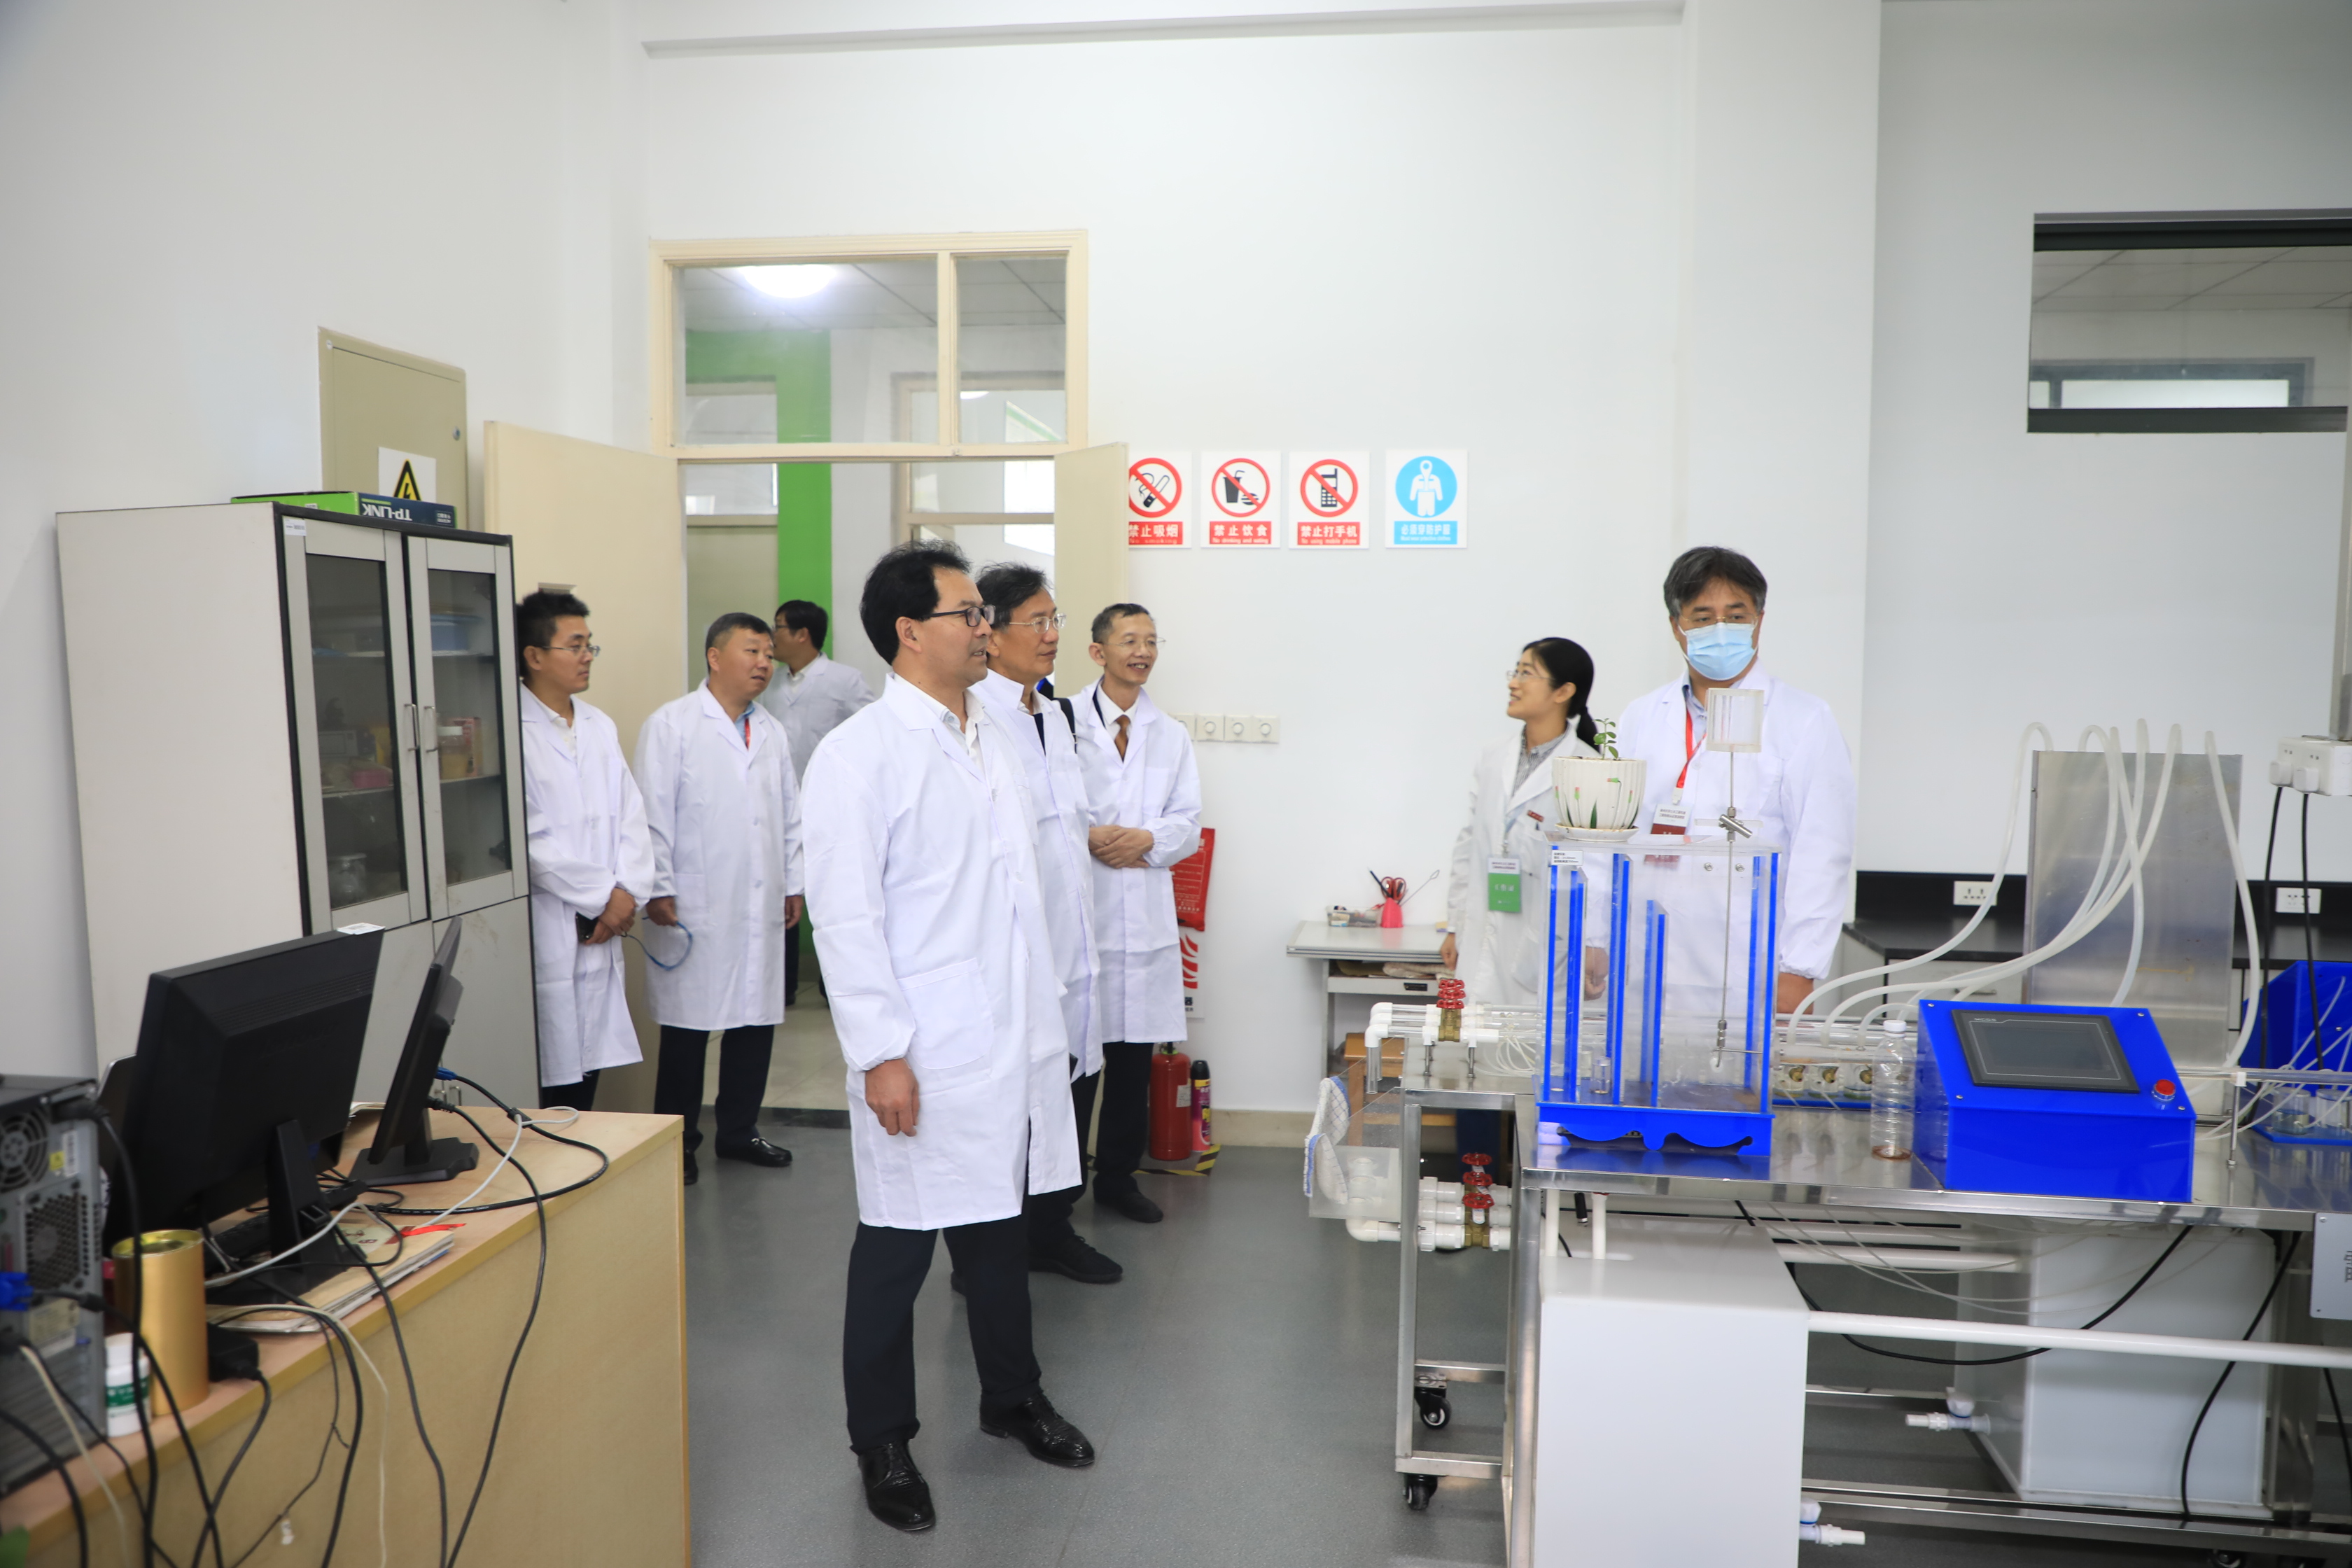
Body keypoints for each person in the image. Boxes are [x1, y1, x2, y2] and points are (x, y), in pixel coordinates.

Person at [802, 541, 1096, 1534]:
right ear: (908, 632)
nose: (984, 628)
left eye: (983, 614)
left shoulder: (997, 737)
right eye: (967, 614)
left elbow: (1020, 889)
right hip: (922, 1048)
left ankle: (1012, 1396)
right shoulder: (860, 756)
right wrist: (882, 1052)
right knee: (897, 1248)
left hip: (1009, 1034)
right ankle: (882, 1441)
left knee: (999, 1231)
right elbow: (845, 918)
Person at [1614, 545, 1856, 1016]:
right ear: (1677, 626)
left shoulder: (1803, 719)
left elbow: (1822, 852)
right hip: (1647, 962)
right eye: (1703, 618)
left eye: (1736, 616)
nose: (1720, 630)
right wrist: (1599, 939)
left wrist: (1799, 969)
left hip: (1750, 967)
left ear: (1759, 622)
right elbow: (1617, 838)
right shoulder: (1642, 717)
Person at [972, 563, 1121, 1287]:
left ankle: (1052, 1229)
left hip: (1074, 938)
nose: (1052, 634)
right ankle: (989, 1249)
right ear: (991, 633)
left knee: (1072, 1082)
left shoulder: (1055, 714)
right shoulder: (975, 718)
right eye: (1037, 621)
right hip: (1016, 947)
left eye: (1054, 619)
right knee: (1013, 1102)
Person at [634, 612, 803, 1186]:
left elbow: (791, 816)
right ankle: (676, 1142)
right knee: (688, 1029)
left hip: (760, 899)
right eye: (752, 651)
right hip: (693, 901)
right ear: (714, 656)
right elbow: (651, 813)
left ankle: (739, 1131)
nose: (764, 663)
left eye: (769, 654)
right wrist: (659, 886)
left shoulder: (771, 731)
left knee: (755, 1020)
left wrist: (794, 882)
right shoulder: (672, 725)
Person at [1070, 603, 1202, 1226]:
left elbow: (1188, 822)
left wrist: (1146, 841)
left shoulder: (1169, 734)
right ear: (1098, 652)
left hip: (1143, 921)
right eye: (1129, 640)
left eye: (1151, 641)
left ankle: (1118, 1180)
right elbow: (1044, 809)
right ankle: (1059, 1191)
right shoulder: (1061, 722)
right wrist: (1089, 837)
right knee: (1075, 1067)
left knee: (1130, 1064)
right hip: (1082, 918)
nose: (1143, 651)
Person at [514, 591, 654, 1112]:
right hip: (550, 922)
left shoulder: (599, 725)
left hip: (602, 924)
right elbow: (526, 838)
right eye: (575, 646)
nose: (587, 656)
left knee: (588, 1066)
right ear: (534, 655)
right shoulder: (510, 729)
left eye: (590, 645)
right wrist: (602, 896)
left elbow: (630, 816)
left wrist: (627, 893)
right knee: (545, 1080)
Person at [1441, 638, 1601, 1003]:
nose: (1513, 683)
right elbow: (1469, 844)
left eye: (1527, 673)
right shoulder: (1493, 757)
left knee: (1533, 1034)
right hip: (1479, 932)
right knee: (1476, 1031)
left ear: (1563, 691)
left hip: (1543, 944)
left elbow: (1597, 872)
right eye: (1516, 672)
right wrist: (1454, 925)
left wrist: (1595, 943)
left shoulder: (1587, 769)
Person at [758, 598, 874, 1004]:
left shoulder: (844, 680)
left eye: (778, 627)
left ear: (802, 635)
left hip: (829, 806)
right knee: (783, 893)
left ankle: (835, 984)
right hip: (779, 806)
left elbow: (869, 735)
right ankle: (783, 986)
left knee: (833, 894)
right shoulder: (768, 682)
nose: (772, 636)